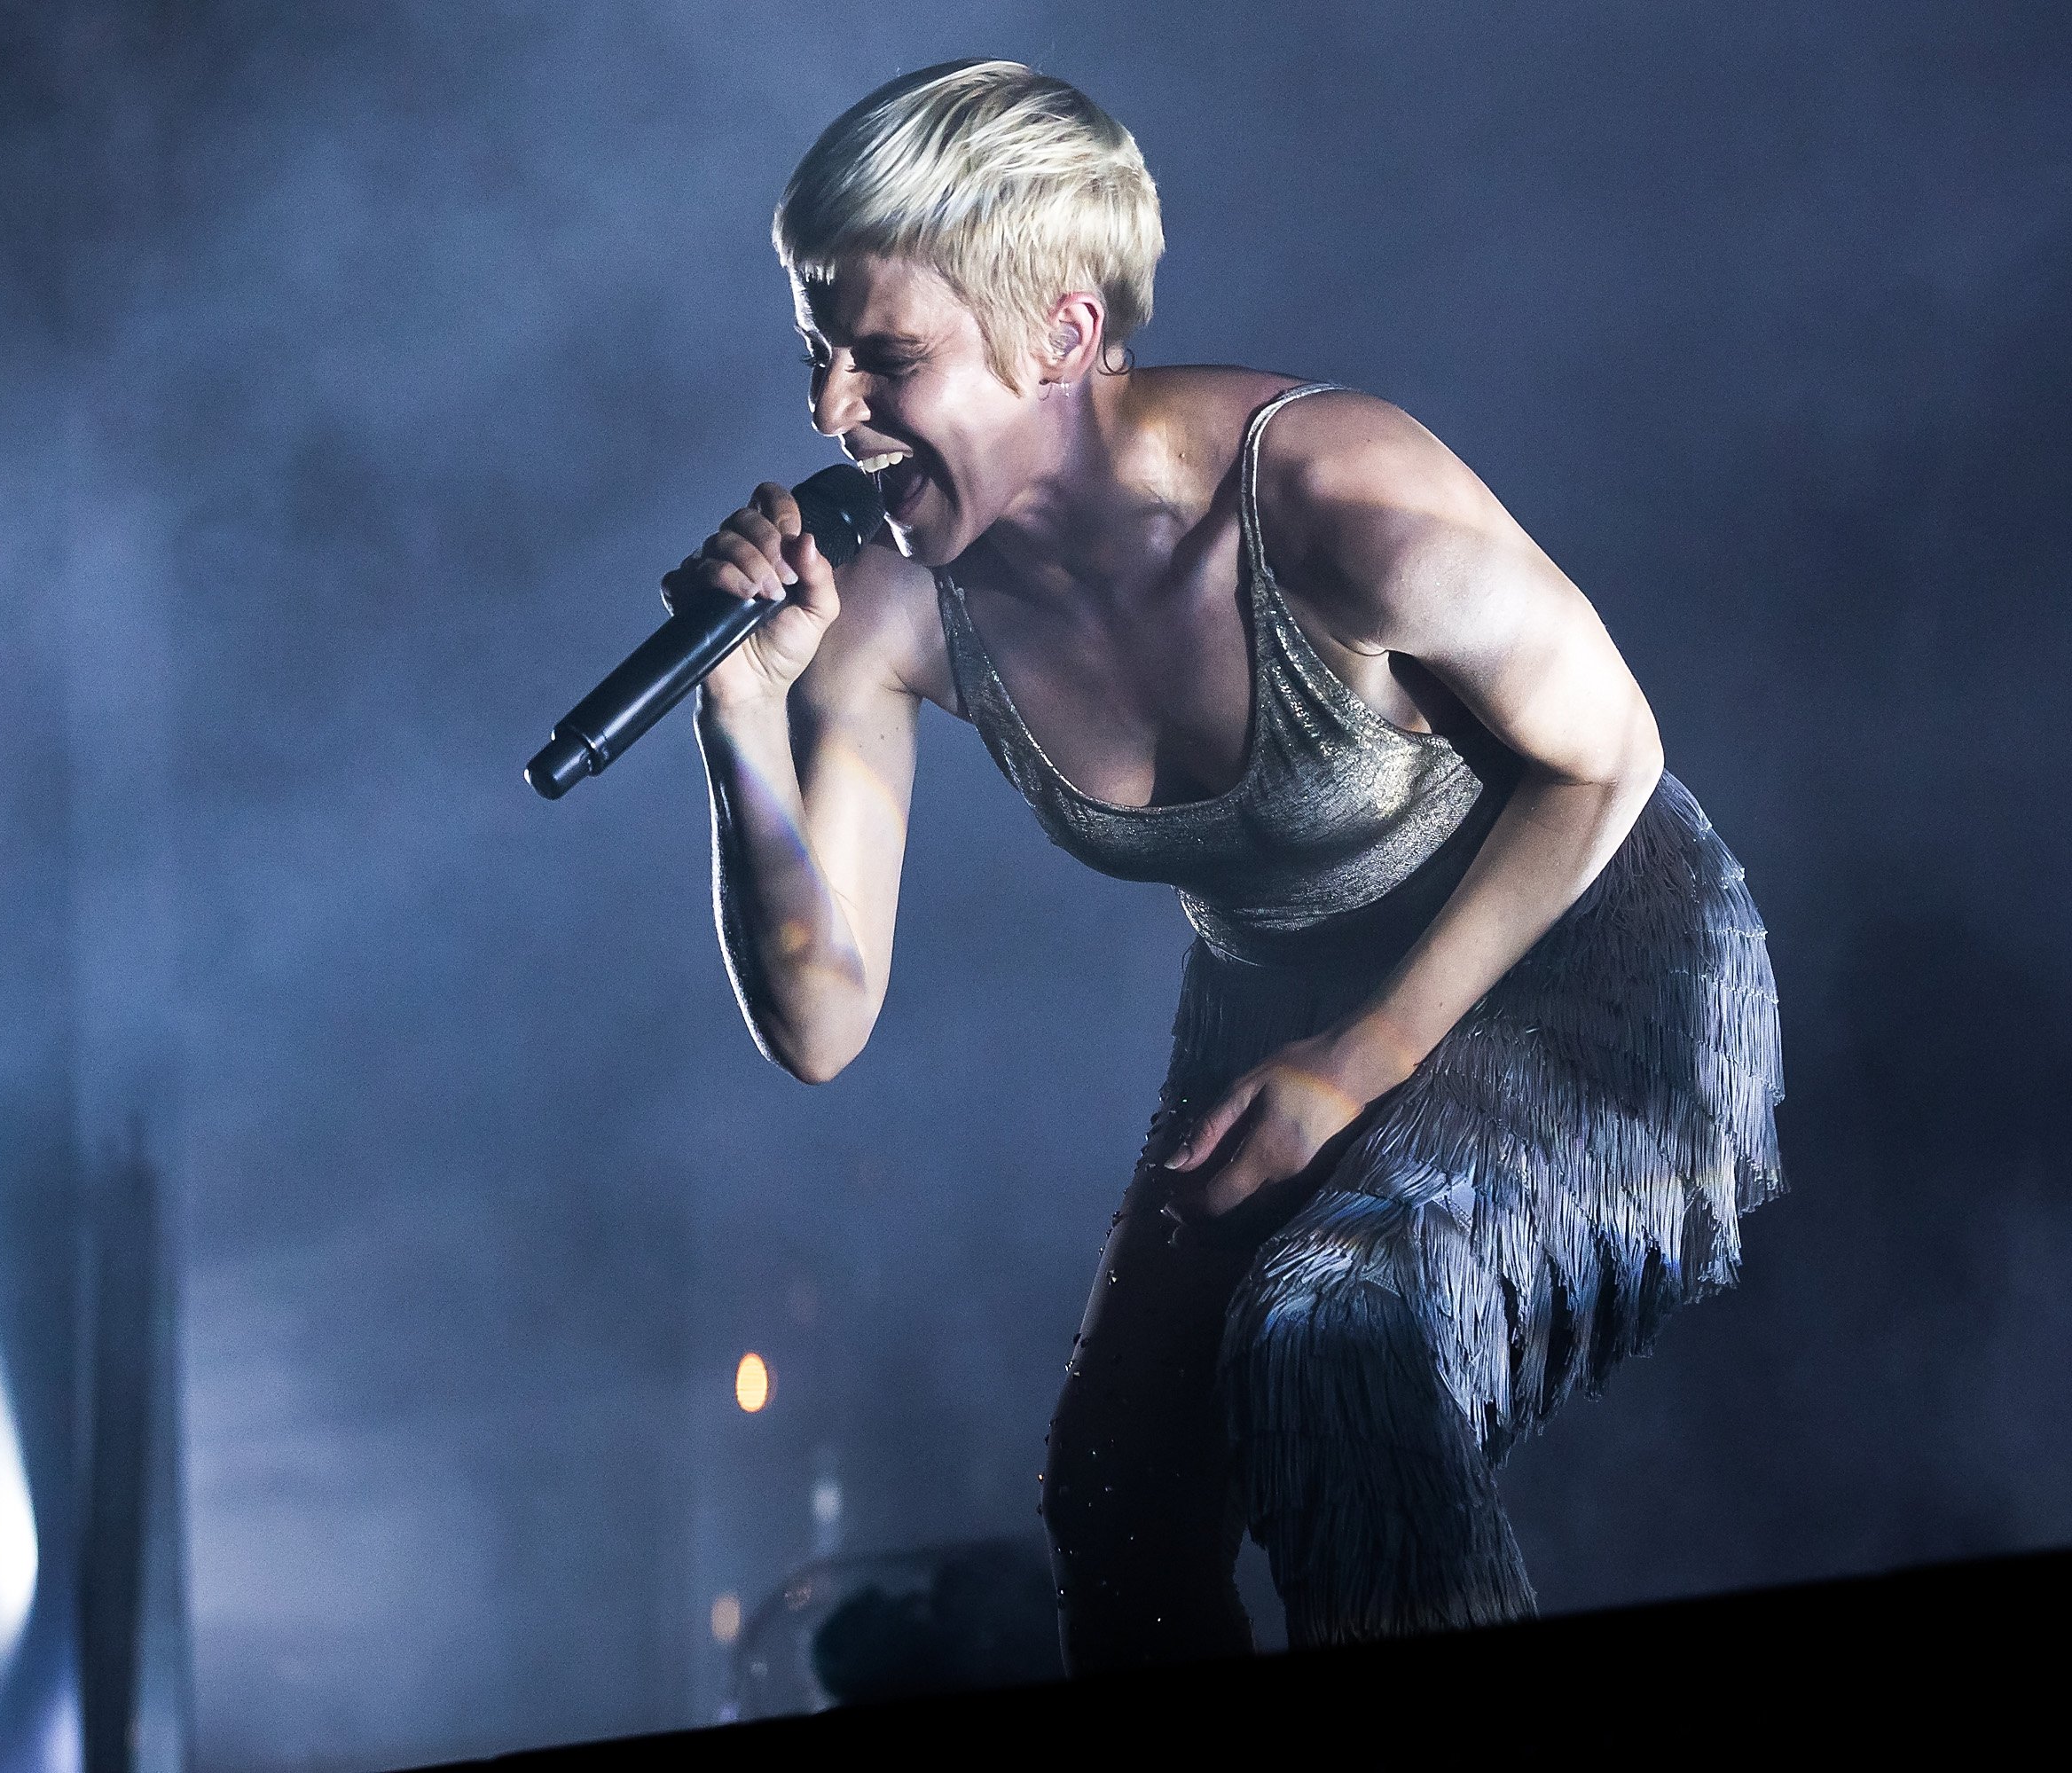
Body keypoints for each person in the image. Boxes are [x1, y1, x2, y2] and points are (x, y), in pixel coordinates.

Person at [666, 59, 1783, 1665]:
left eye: (885, 357)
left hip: (1591, 944)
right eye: (815, 351)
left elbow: (1607, 759)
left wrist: (1373, 1055)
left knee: (1341, 1344)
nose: (830, 410)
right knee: (1113, 1499)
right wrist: (740, 725)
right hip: (1286, 987)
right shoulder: (894, 605)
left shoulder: (1336, 495)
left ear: (1059, 336)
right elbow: (822, 1020)